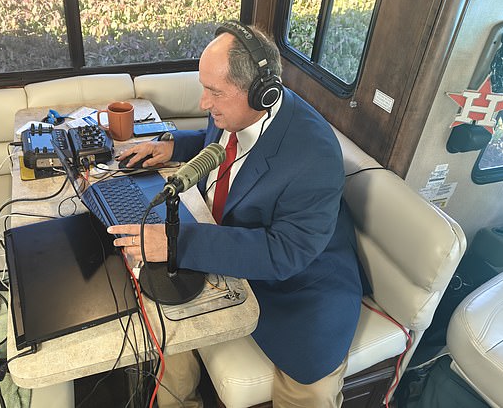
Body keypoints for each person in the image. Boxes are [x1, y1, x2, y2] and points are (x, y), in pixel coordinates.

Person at [107, 21, 364, 407]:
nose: (203, 104)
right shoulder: (236, 111)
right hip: (230, 248)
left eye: (214, 92)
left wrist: (176, 241)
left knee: (308, 391)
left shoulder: (314, 154)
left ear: (263, 94)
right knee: (160, 316)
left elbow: (285, 253)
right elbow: (223, 140)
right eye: (203, 87)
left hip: (299, 291)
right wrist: (173, 145)